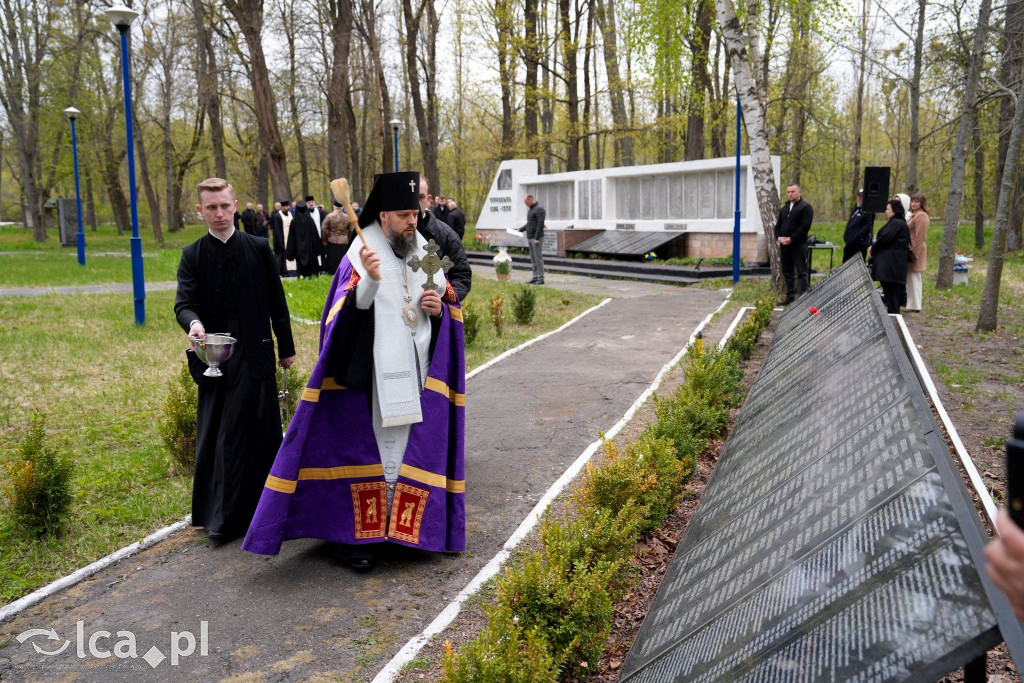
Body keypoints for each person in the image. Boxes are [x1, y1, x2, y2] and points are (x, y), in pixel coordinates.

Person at [242, 171, 465, 570]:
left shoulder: (424, 248)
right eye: (402, 215)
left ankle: (404, 532)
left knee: (408, 448)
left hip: (418, 369)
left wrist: (439, 308)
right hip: (372, 378)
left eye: (414, 213)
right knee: (377, 453)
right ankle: (357, 540)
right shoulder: (359, 253)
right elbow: (341, 316)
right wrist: (370, 282)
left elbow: (446, 295)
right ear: (383, 217)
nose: (412, 221)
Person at [174, 178, 296, 544]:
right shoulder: (192, 255)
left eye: (225, 206)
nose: (220, 213)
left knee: (261, 434)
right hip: (216, 358)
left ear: (235, 204)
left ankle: (266, 513)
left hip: (257, 354)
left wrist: (287, 349)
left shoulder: (259, 248)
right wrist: (193, 323)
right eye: (211, 207)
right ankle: (222, 518)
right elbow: (183, 303)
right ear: (201, 211)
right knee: (223, 435)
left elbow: (277, 303)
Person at [418, 177, 472, 301]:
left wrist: (443, 306)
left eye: (420, 197)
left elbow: (461, 275)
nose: (415, 202)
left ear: (428, 198)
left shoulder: (446, 234)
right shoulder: (393, 232)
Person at [773, 183, 813, 304]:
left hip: (798, 245)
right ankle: (790, 297)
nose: (790, 194)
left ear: (799, 192)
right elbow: (778, 226)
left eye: (793, 191)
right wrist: (779, 237)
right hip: (785, 246)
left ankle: (803, 299)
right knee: (788, 271)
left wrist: (791, 239)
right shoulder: (784, 208)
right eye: (788, 192)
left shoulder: (806, 207)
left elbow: (805, 226)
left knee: (801, 272)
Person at [869, 198, 910, 314]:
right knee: (891, 293)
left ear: (894, 210)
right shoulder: (897, 222)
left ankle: (894, 314)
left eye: (887, 209)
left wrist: (873, 247)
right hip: (892, 264)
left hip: (891, 265)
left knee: (891, 293)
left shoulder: (896, 223)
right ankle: (893, 313)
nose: (886, 211)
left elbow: (884, 239)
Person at [906, 192, 929, 312]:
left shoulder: (922, 216)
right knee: (910, 277)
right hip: (910, 248)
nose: (914, 204)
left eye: (916, 201)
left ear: (922, 203)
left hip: (916, 249)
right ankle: (912, 304)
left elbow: (920, 236)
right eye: (912, 201)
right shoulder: (913, 215)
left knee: (914, 277)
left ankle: (915, 306)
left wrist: (914, 254)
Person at [286, 202, 320, 277]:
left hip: (299, 249)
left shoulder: (294, 221)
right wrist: (317, 248)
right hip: (309, 249)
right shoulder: (310, 220)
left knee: (301, 267)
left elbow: (291, 238)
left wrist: (291, 252)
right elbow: (315, 236)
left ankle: (301, 275)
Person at [519, 194, 546, 285]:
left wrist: (537, 238)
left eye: (526, 202)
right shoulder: (531, 209)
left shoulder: (539, 209)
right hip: (530, 237)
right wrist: (520, 229)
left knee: (538, 258)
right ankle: (535, 277)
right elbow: (529, 224)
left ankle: (540, 278)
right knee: (533, 258)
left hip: (536, 238)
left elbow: (540, 224)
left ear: (530, 200)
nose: (525, 204)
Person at [321, 197, 352, 276]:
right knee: (342, 258)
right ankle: (343, 272)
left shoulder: (329, 216)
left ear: (334, 207)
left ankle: (332, 272)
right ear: (342, 207)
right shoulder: (347, 217)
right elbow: (351, 230)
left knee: (332, 258)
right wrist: (348, 238)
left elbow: (324, 229)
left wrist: (325, 239)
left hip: (332, 240)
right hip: (344, 241)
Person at [842, 189, 874, 263]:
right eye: (858, 196)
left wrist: (856, 236)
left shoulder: (868, 211)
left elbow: (867, 226)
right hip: (850, 243)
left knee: (857, 265)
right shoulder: (856, 208)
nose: (859, 198)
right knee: (845, 263)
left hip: (859, 244)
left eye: (861, 197)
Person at [306, 195, 327, 274]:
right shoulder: (305, 212)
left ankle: (322, 268)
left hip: (320, 235)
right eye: (309, 202)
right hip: (311, 238)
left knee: (321, 252)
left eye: (312, 202)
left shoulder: (320, 211)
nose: (311, 204)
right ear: (306, 203)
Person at [270, 200, 293, 275]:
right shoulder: (277, 216)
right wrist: (280, 242)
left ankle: (291, 270)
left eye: (288, 206)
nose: (288, 207)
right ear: (282, 207)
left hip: (290, 239)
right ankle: (282, 271)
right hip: (281, 240)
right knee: (281, 256)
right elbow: (277, 230)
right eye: (286, 206)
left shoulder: (290, 214)